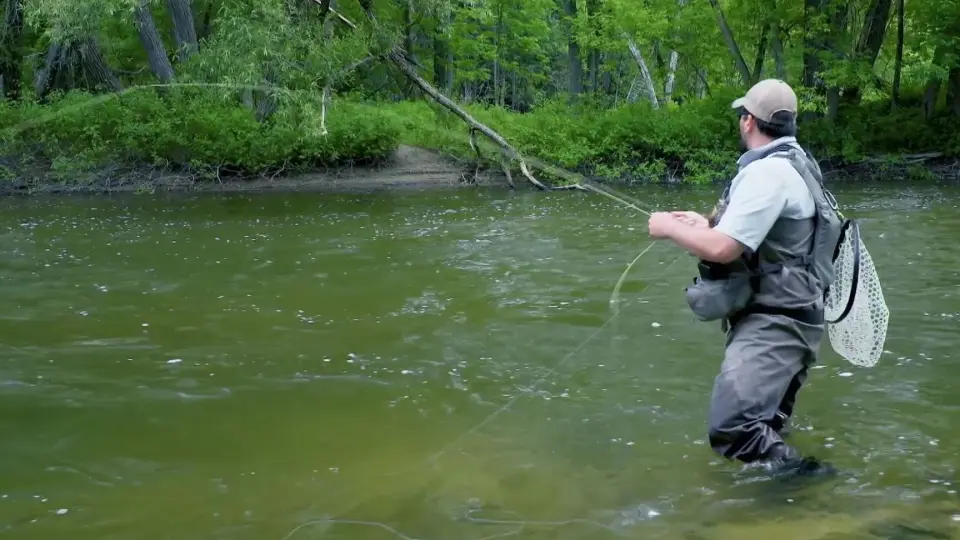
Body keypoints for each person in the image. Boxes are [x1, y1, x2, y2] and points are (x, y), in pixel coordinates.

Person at [647, 79, 843, 475]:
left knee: (734, 430)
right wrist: (704, 224)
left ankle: (821, 491)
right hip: (796, 317)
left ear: (748, 122)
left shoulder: (767, 174)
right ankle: (786, 514)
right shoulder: (796, 165)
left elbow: (723, 250)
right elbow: (771, 239)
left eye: (743, 115)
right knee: (766, 427)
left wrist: (666, 228)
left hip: (776, 323)